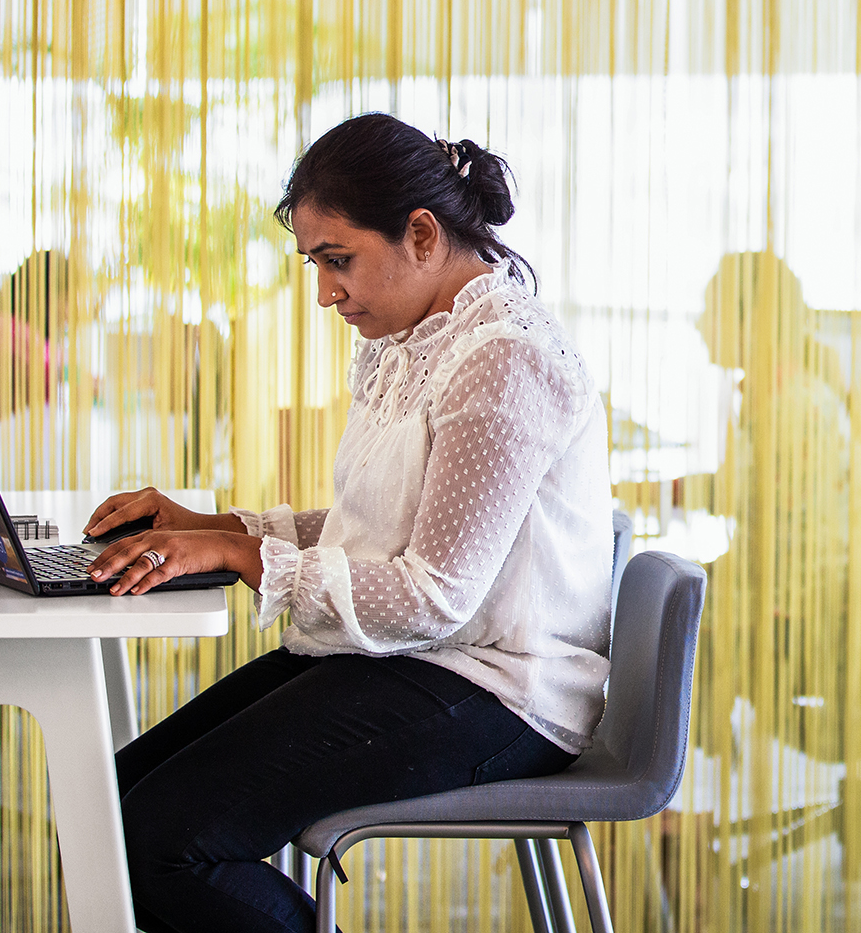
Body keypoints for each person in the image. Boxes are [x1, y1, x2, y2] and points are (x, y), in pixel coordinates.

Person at [83, 112, 615, 933]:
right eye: (315, 263)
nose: (326, 290)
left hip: (497, 689)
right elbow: (384, 527)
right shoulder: (415, 337)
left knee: (156, 842)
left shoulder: (506, 359)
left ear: (423, 234)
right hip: (421, 658)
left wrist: (235, 553)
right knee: (108, 808)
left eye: (338, 260)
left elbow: (431, 595)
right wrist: (214, 525)